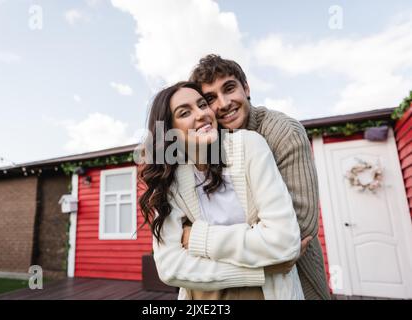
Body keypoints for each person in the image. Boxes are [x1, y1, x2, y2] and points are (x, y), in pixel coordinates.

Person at [139, 81, 304, 299]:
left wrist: (197, 238)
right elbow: (170, 267)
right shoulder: (170, 178)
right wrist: (260, 270)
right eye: (185, 112)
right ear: (170, 131)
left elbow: (283, 242)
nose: (201, 114)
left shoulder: (248, 145)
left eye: (202, 105)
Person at [187, 54, 331, 300]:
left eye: (229, 88)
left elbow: (297, 230)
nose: (223, 104)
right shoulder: (205, 147)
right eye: (210, 98)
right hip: (227, 291)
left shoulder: (283, 131)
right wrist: (258, 242)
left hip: (296, 280)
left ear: (246, 87)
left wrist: (198, 238)